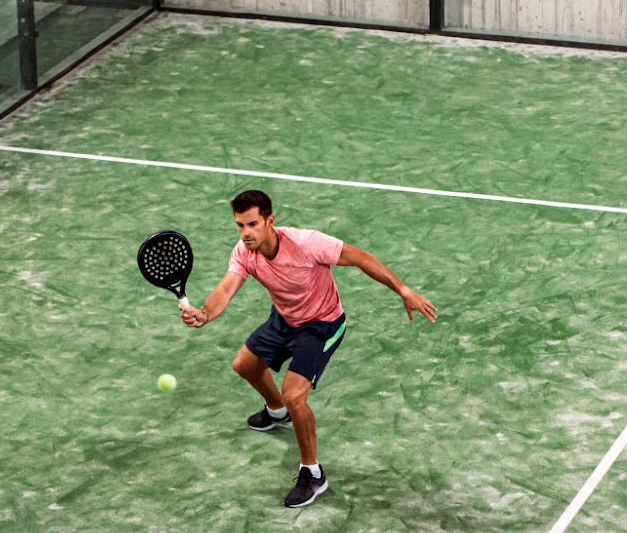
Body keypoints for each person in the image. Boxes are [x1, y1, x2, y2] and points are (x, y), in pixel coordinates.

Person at [180, 189, 436, 507]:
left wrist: (403, 290)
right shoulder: (244, 252)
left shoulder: (306, 243)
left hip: (321, 324)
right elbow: (225, 289)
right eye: (239, 225)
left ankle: (312, 473)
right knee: (244, 366)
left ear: (269, 221)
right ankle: (277, 412)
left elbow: (360, 257)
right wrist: (205, 314)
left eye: (252, 224)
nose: (245, 233)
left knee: (295, 393)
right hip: (285, 318)